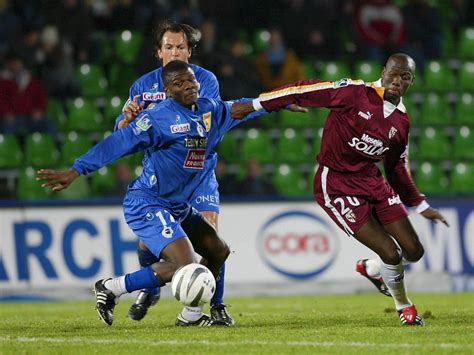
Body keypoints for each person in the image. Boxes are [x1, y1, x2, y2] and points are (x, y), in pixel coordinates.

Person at [37, 60, 273, 327]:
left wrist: (284, 102)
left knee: (218, 251)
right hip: (148, 203)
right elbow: (118, 142)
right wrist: (77, 169)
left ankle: (191, 316)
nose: (188, 86)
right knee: (183, 264)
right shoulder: (157, 118)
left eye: (191, 80)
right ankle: (111, 287)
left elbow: (243, 107)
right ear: (167, 90)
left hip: (178, 206)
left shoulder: (209, 110)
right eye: (179, 83)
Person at [232, 53, 449, 326]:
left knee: (414, 251)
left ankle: (373, 269)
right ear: (383, 71)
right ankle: (403, 305)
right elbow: (303, 89)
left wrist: (419, 203)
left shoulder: (401, 122)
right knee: (391, 253)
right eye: (393, 73)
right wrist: (254, 104)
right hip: (336, 184)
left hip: (372, 181)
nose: (397, 80)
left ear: (411, 82)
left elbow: (395, 167)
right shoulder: (354, 93)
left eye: (404, 77)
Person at [115, 21, 233, 325]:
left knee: (212, 238)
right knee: (147, 245)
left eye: (180, 46)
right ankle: (150, 288)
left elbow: (205, 117)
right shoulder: (141, 86)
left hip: (199, 173)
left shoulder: (204, 80)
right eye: (168, 47)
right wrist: (127, 120)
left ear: (189, 51)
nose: (174, 51)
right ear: (159, 52)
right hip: (163, 176)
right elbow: (121, 131)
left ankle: (213, 306)